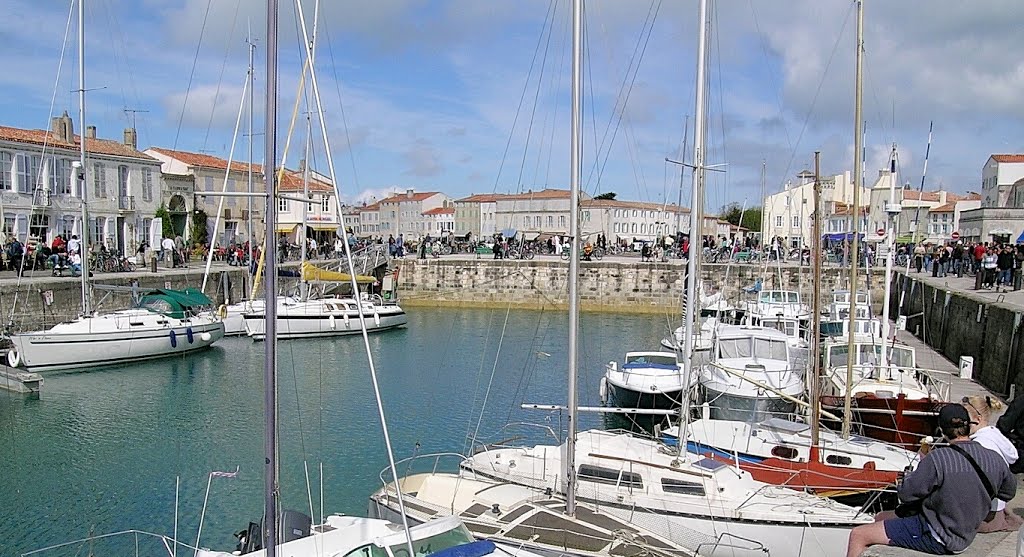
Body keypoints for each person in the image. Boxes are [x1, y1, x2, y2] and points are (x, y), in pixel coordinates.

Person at [845, 405, 1016, 557]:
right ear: (968, 427)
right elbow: (1008, 492)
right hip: (966, 533)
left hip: (937, 535)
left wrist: (912, 474)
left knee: (859, 535)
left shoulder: (938, 458)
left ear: (941, 430)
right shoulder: (994, 458)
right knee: (882, 518)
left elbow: (906, 494)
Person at [962, 394, 1022, 532]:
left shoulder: (981, 445)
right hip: (997, 510)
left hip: (985, 516)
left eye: (965, 420)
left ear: (977, 419)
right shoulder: (995, 436)